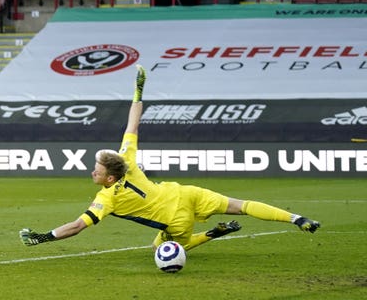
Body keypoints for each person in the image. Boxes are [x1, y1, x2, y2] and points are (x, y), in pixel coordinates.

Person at [20, 64, 320, 251]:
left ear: (110, 178)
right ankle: (297, 218)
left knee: (165, 249)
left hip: (176, 219)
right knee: (241, 206)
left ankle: (213, 234)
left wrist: (44, 237)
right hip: (186, 193)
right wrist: (138, 92)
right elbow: (132, 123)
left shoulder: (106, 198)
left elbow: (77, 226)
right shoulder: (128, 159)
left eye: (96, 171)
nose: (92, 173)